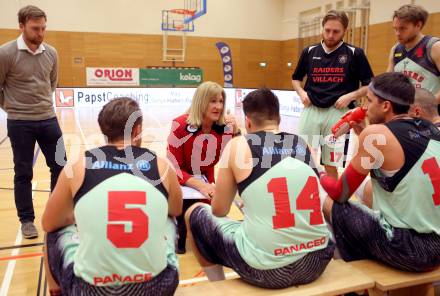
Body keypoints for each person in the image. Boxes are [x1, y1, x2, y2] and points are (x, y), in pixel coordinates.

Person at [184, 88, 334, 288]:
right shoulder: (303, 144)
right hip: (317, 261)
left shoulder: (238, 145)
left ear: (247, 122)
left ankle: (218, 287)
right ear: (279, 118)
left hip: (268, 270)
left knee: (193, 213)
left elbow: (220, 210)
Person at [42, 97, 182, 295]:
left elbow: (49, 223)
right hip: (156, 288)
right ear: (137, 129)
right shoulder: (161, 164)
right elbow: (176, 209)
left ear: (104, 129)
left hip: (90, 290)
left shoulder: (78, 165)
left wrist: (81, 215)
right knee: (170, 219)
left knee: (52, 234)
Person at [320, 72, 440, 272]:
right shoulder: (431, 129)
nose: (365, 108)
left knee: (322, 196)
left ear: (385, 106)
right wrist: (362, 134)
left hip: (409, 249)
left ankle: (350, 278)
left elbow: (341, 193)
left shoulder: (376, 135)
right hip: (435, 244)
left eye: (368, 101)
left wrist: (320, 175)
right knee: (367, 190)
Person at [0, 5, 65, 238]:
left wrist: (41, 105)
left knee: (60, 166)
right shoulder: (6, 53)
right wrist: (13, 108)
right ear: (21, 26)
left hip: (48, 119)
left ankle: (56, 213)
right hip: (20, 123)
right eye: (35, 28)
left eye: (43, 28)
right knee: (23, 172)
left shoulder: (51, 53)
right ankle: (26, 220)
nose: (40, 33)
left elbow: (52, 83)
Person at [292, 10, 374, 179]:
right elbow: (296, 79)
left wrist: (350, 96)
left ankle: (332, 203)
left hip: (339, 114)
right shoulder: (309, 51)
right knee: (302, 159)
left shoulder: (354, 53)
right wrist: (301, 92)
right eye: (327, 30)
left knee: (331, 164)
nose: (330, 35)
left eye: (336, 31)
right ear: (322, 28)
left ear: (345, 30)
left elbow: (370, 85)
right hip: (312, 109)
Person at [167, 81, 240, 254]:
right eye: (212, 101)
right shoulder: (179, 125)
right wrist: (201, 186)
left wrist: (236, 132)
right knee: (185, 224)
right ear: (201, 102)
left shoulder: (224, 128)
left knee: (211, 226)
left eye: (221, 101)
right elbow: (173, 168)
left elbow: (239, 158)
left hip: (207, 181)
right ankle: (177, 229)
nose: (218, 106)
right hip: (181, 181)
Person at [387, 4, 440, 114]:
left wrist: (427, 105)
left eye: (403, 28)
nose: (397, 33)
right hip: (406, 115)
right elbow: (388, 85)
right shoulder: (395, 50)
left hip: (432, 116)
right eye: (395, 29)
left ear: (418, 25)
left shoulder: (434, 47)